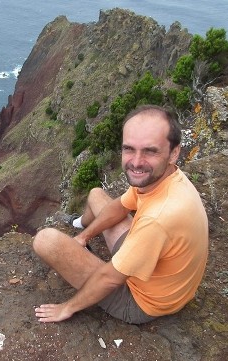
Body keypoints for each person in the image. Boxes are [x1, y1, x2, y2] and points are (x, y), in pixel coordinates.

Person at [33, 105, 208, 324]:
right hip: (158, 266)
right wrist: (83, 237)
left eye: (150, 151)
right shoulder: (163, 177)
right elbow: (121, 206)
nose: (136, 162)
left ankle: (79, 246)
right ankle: (77, 225)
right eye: (129, 149)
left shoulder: (158, 219)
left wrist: (67, 308)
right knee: (96, 194)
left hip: (143, 301)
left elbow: (109, 278)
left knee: (45, 240)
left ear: (174, 152)